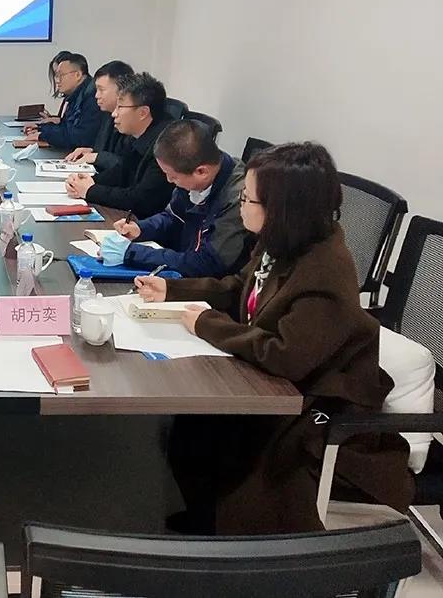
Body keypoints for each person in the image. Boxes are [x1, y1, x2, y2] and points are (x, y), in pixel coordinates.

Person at [134, 143, 414, 535]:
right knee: (190, 426)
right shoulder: (282, 241)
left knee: (222, 441)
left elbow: (285, 355)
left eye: (248, 199)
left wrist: (208, 324)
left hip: (314, 405)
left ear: (282, 208)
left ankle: (232, 545)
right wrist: (173, 290)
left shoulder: (324, 271)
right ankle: (200, 519)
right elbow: (240, 287)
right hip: (276, 382)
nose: (241, 205)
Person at [106, 119, 253, 277]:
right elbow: (173, 217)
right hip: (183, 269)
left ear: (201, 172)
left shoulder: (239, 198)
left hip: (211, 284)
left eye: (173, 176)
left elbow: (208, 263)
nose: (169, 180)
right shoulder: (194, 173)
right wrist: (141, 229)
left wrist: (133, 253)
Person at [65, 72, 175, 218]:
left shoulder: (167, 144)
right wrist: (88, 181)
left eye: (120, 107)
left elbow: (142, 200)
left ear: (143, 112)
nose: (114, 114)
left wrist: (91, 191)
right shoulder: (136, 135)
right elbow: (121, 172)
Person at [63, 60, 135, 175]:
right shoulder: (107, 114)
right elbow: (105, 151)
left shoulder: (133, 120)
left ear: (122, 90)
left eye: (101, 90)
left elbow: (128, 166)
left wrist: (97, 157)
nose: (97, 95)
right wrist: (91, 152)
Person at [24, 53, 100, 149]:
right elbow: (65, 127)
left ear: (78, 75)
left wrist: (42, 135)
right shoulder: (76, 95)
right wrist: (41, 129)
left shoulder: (92, 97)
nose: (57, 80)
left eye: (61, 75)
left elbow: (79, 138)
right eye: (56, 76)